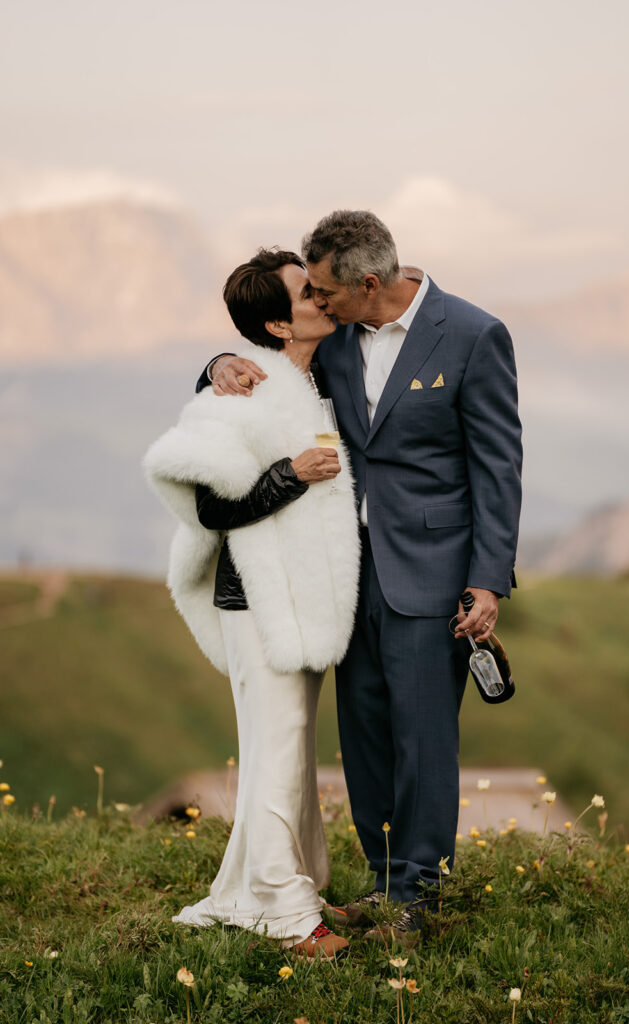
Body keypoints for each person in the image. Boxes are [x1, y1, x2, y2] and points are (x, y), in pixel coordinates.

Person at [199, 210, 523, 942]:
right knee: (366, 733)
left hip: (433, 573)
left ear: (365, 284)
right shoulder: (338, 334)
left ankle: (420, 898)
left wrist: (488, 580)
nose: (317, 301)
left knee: (423, 738)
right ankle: (381, 884)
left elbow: (497, 468)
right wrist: (217, 365)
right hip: (347, 573)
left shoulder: (473, 335)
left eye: (324, 291)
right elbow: (278, 355)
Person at [144, 249, 360, 960]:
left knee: (287, 751)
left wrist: (215, 358)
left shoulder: (317, 375)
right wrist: (288, 476)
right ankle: (286, 913)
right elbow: (208, 503)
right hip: (259, 607)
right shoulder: (242, 392)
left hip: (308, 603)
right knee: (278, 754)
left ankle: (265, 887)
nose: (323, 299)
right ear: (275, 319)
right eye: (307, 293)